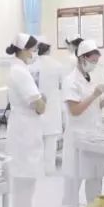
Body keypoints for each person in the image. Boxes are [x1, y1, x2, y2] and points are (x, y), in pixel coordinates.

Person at [61, 39, 104, 207]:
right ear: (82, 58)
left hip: (94, 136)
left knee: (95, 178)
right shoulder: (71, 81)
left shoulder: (90, 79)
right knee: (74, 179)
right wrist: (95, 95)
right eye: (92, 61)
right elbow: (75, 110)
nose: (94, 65)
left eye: (96, 61)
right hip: (78, 138)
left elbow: (93, 108)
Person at [5, 33, 46, 207]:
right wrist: (43, 100)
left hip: (24, 127)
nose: (34, 53)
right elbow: (39, 106)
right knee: (24, 181)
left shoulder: (19, 69)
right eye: (32, 49)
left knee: (26, 181)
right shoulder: (20, 72)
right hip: (24, 130)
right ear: (22, 50)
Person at [32, 36, 65, 175]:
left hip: (36, 107)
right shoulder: (57, 65)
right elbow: (62, 85)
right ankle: (49, 169)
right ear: (49, 50)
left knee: (36, 141)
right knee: (51, 141)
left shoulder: (32, 65)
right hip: (52, 106)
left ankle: (37, 169)